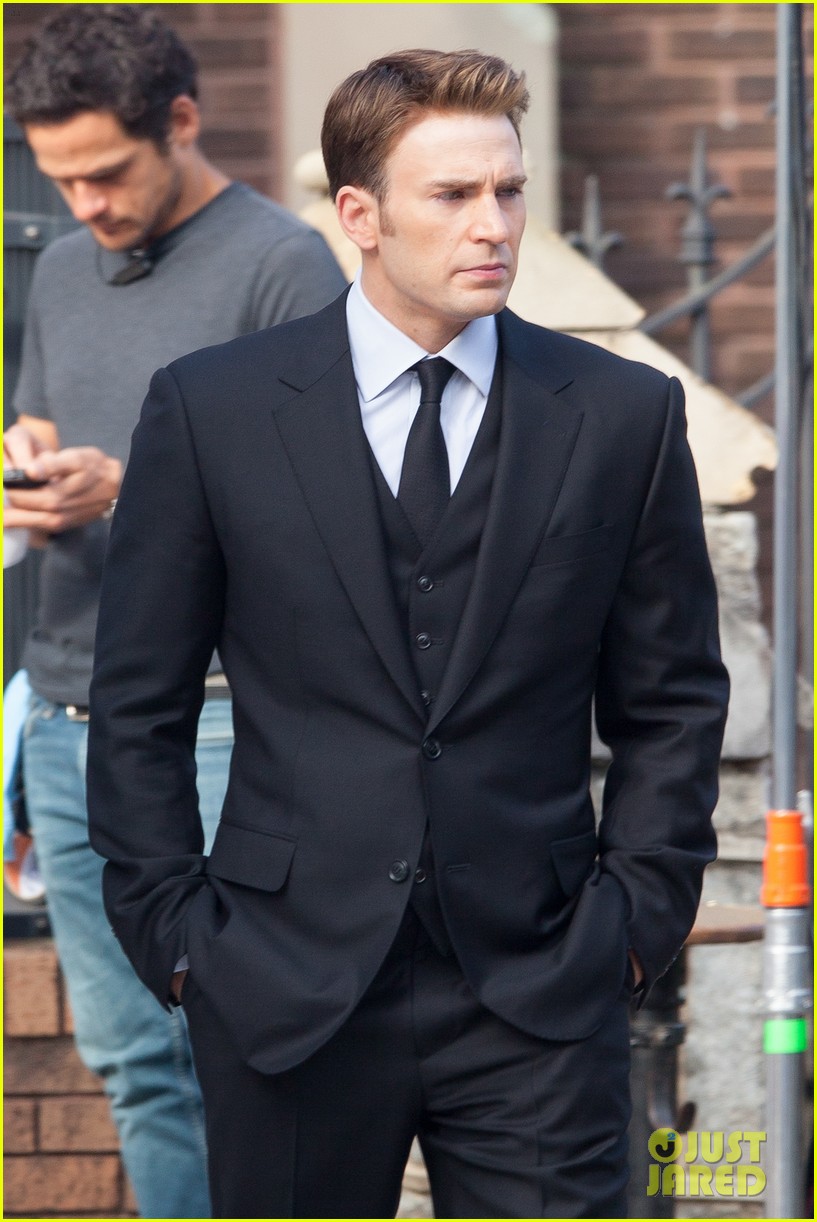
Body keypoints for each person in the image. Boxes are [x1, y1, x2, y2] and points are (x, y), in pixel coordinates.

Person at [87, 48, 729, 1219]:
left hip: (541, 988)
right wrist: (178, 941)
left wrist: (633, 925)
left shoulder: (622, 414)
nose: (494, 224)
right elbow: (139, 703)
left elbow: (672, 700)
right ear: (359, 215)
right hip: (281, 984)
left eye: (509, 190)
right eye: (453, 194)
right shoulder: (214, 408)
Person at [3, 6, 344, 1217]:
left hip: (215, 724)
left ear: (182, 121)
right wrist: (32, 467)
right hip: (64, 718)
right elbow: (46, 421)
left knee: (242, 1052)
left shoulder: (283, 266)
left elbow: (322, 515)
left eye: (105, 172)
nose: (84, 204)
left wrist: (130, 488)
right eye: (60, 179)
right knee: (135, 1067)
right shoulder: (60, 268)